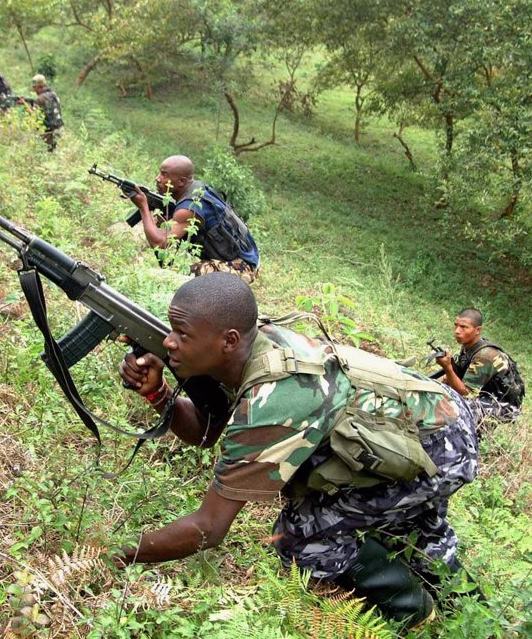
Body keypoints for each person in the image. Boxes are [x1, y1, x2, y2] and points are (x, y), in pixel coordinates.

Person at [117, 273, 480, 628]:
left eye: (182, 334)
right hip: (424, 418)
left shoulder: (273, 397)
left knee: (302, 535)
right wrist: (159, 394)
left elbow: (208, 529)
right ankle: (471, 612)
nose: (168, 342)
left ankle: (412, 613)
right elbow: (204, 433)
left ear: (228, 340)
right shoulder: (249, 348)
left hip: (437, 445)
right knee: (413, 531)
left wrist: (119, 554)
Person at [129, 155, 260, 283]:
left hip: (241, 267)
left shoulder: (189, 208)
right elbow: (167, 256)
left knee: (170, 280)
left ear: (182, 181)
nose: (158, 178)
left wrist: (143, 207)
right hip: (244, 258)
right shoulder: (197, 189)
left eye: (165, 175)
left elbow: (160, 243)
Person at [435, 308, 524, 423]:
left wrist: (448, 368)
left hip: (505, 407)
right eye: (456, 325)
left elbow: (467, 394)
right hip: (485, 395)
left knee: (459, 408)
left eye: (463, 327)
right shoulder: (469, 346)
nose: (457, 330)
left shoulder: (485, 355)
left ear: (477, 330)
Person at [19, 74, 63, 151]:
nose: (34, 90)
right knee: (55, 152)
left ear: (39, 87)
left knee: (40, 151)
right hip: (60, 128)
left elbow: (33, 114)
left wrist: (25, 104)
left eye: (34, 87)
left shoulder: (40, 99)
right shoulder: (54, 95)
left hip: (48, 132)